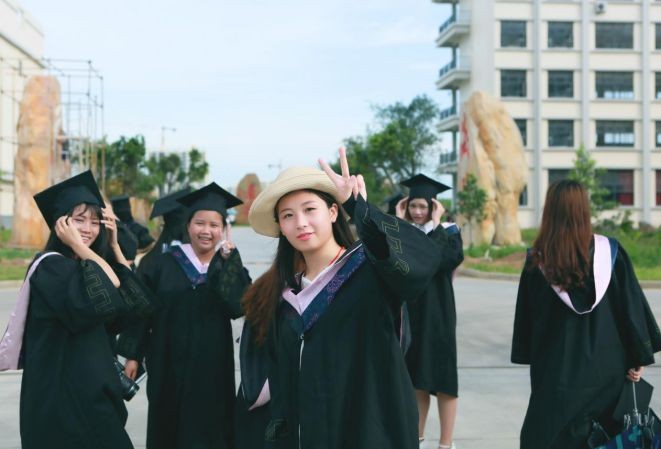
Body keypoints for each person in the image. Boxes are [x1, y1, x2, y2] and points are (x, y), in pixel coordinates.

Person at [244, 148, 455, 448]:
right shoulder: (280, 296)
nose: (300, 222)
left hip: (367, 432)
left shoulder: (371, 272)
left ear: (333, 213)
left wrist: (358, 207)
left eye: (309, 209)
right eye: (288, 215)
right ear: (281, 227)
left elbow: (422, 259)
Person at [8, 170, 157, 449]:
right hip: (63, 399)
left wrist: (113, 245)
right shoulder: (51, 268)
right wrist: (79, 246)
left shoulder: (85, 267)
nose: (88, 228)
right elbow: (110, 288)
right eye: (79, 220)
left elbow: (138, 305)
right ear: (61, 224)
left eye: (95, 221)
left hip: (94, 394)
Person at [511, 179, 661, 449]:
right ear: (584, 211)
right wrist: (638, 356)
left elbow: (527, 323)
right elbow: (630, 309)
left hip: (555, 375)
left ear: (549, 211)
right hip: (607, 374)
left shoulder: (537, 262)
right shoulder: (611, 253)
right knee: (604, 438)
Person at [119, 182, 251, 449]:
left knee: (211, 425)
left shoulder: (227, 265)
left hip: (212, 364)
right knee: (168, 423)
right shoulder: (161, 264)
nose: (206, 231)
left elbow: (238, 307)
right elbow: (142, 311)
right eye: (199, 223)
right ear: (188, 225)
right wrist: (134, 354)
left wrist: (229, 262)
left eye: (214, 225)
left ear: (223, 228)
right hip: (167, 359)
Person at [396, 174, 464, 449]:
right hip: (411, 313)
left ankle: (446, 444)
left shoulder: (448, 231)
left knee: (445, 380)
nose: (417, 211)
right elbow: (397, 260)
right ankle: (417, 439)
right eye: (413, 206)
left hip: (439, 314)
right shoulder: (406, 232)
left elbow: (446, 260)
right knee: (417, 379)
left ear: (434, 206)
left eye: (423, 206)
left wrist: (436, 223)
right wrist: (399, 221)